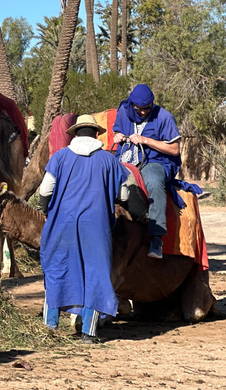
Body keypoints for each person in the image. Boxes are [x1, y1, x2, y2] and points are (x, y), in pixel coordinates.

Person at [39, 115, 130, 344]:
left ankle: (50, 328)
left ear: (76, 133)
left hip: (62, 224)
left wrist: (47, 211)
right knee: (96, 274)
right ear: (96, 134)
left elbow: (45, 190)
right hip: (96, 227)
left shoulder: (59, 157)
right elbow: (125, 194)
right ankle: (89, 333)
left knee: (57, 268)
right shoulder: (109, 161)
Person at [112, 84, 181, 259]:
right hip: (126, 159)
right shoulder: (123, 111)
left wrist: (146, 140)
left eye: (147, 108)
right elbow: (117, 131)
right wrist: (117, 136)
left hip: (155, 161)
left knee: (153, 181)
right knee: (104, 175)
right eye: (139, 109)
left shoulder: (164, 117)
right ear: (131, 104)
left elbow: (174, 149)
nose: (143, 112)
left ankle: (156, 237)